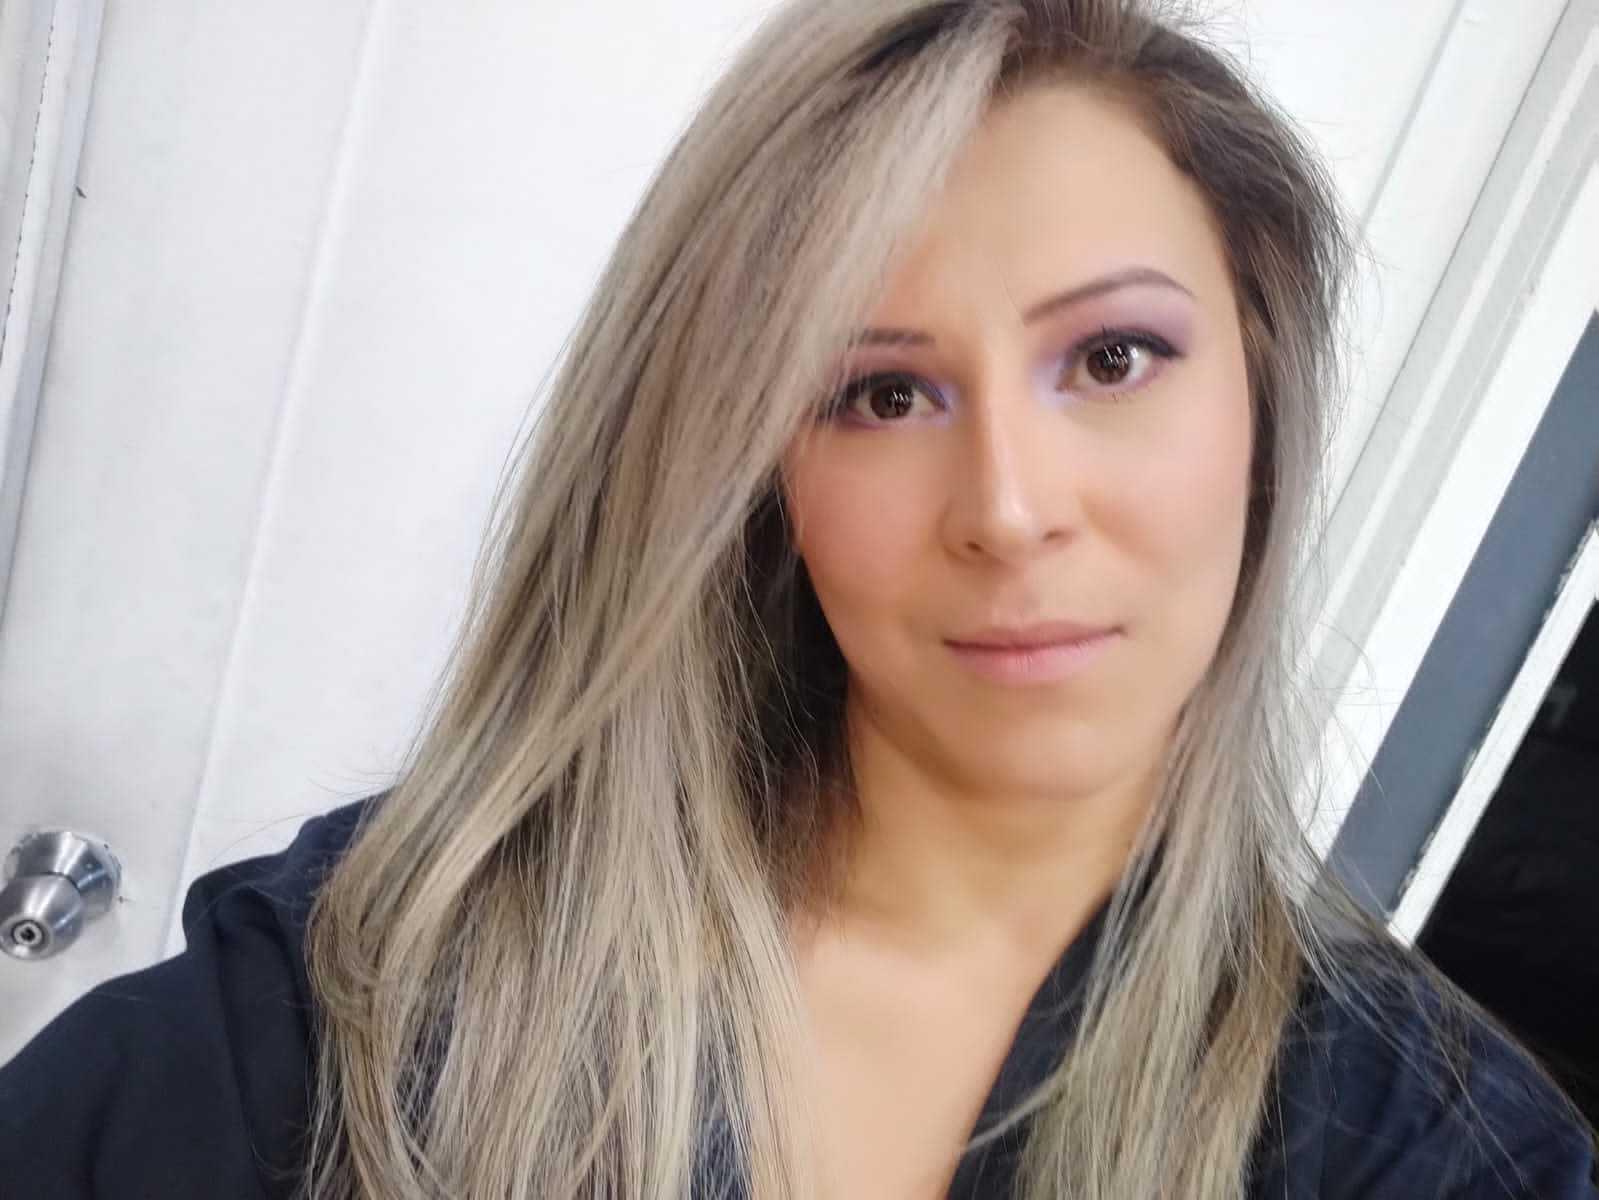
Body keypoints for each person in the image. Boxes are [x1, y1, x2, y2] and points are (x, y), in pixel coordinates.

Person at [2, 0, 1596, 1196]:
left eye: (1113, 358)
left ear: (1260, 395)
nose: (1010, 509)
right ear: (759, 477)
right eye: (881, 395)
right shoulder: (382, 984)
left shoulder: (1436, 1151)